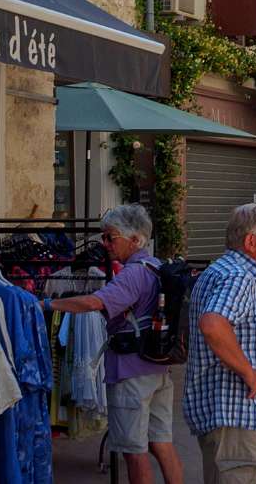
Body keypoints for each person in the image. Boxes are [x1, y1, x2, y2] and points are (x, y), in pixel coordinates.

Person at [46, 204, 182, 484]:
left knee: (134, 451)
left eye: (110, 237)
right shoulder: (156, 266)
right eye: (103, 237)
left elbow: (93, 302)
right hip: (157, 368)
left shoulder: (132, 274)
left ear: (135, 239)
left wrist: (47, 304)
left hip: (131, 372)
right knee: (162, 444)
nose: (105, 244)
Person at [184, 203, 256, 484]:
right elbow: (213, 324)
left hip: (229, 413)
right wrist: (248, 373)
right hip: (233, 413)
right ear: (251, 241)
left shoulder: (230, 272)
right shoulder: (238, 277)